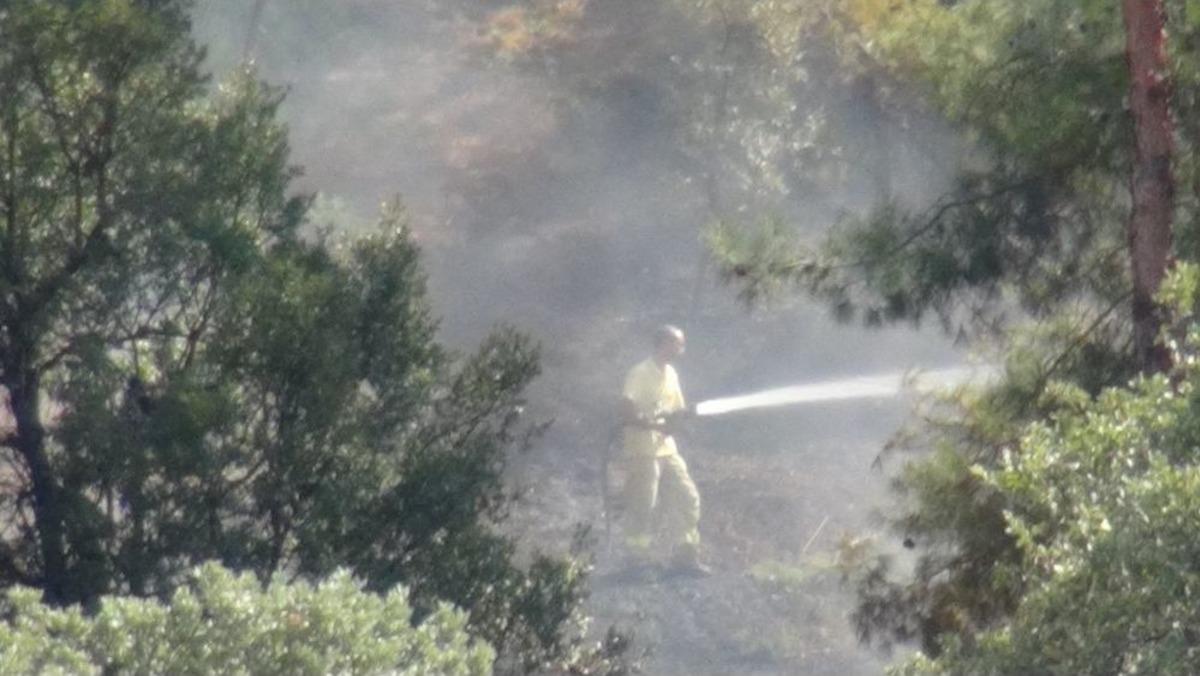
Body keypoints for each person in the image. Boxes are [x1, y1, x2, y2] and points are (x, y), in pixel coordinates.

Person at [619, 324, 709, 576]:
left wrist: (680, 420)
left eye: (682, 344)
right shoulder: (640, 373)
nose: (681, 349)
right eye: (677, 344)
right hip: (642, 450)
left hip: (666, 449)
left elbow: (675, 411)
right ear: (663, 344)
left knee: (688, 497)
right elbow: (626, 408)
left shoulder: (671, 374)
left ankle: (686, 555)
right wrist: (651, 424)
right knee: (643, 503)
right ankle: (635, 559)